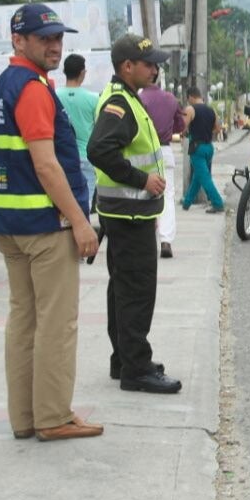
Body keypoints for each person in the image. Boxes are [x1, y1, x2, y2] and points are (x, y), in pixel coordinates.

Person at [0, 4, 102, 440]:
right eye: (43, 38)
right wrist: (81, 223)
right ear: (18, 40)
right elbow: (47, 165)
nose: (54, 45)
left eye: (57, 38)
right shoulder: (32, 88)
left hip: (9, 225)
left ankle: (25, 419)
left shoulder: (2, 87)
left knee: (24, 320)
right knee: (56, 322)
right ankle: (52, 417)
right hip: (44, 228)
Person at [87, 34, 183, 395]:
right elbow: (99, 150)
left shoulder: (126, 98)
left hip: (126, 213)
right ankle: (137, 369)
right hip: (129, 215)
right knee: (137, 291)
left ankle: (124, 359)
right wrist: (143, 179)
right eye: (149, 63)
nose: (155, 69)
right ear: (127, 66)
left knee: (122, 290)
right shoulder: (120, 104)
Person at [139, 68, 186, 258]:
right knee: (167, 196)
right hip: (165, 151)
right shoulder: (171, 99)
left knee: (143, 195)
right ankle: (166, 240)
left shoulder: (138, 98)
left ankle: (145, 238)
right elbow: (180, 125)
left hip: (142, 151)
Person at [56, 53, 99, 208]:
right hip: (86, 156)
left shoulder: (54, 96)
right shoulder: (94, 99)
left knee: (62, 204)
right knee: (85, 204)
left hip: (61, 158)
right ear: (82, 73)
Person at [181, 86, 225, 213]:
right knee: (198, 177)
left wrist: (185, 133)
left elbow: (183, 126)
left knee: (204, 177)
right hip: (209, 147)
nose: (188, 101)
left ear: (190, 97)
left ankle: (218, 203)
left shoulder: (190, 109)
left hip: (197, 148)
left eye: (188, 99)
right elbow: (218, 128)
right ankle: (187, 203)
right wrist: (206, 131)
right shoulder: (212, 110)